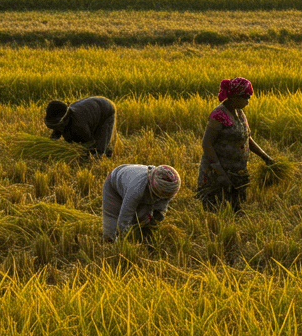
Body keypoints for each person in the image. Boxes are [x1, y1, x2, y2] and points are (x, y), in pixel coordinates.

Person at [197, 77, 275, 213]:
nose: (248, 101)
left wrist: (265, 157)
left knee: (236, 210)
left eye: (249, 97)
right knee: (217, 211)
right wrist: (218, 171)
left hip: (237, 172)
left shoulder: (240, 112)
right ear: (233, 96)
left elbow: (247, 138)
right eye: (245, 97)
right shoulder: (218, 115)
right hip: (219, 173)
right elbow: (207, 144)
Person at [102, 164, 180, 241]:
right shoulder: (136, 190)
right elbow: (125, 215)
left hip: (135, 183)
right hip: (114, 184)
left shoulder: (169, 187)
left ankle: (141, 238)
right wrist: (122, 237)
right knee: (112, 225)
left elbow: (161, 206)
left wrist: (155, 222)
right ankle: (110, 242)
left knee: (142, 218)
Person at [44, 97, 116, 157]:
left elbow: (89, 143)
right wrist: (51, 143)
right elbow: (58, 129)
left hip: (105, 110)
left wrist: (80, 154)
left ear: (64, 119)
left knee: (98, 150)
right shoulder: (61, 120)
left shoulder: (79, 126)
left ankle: (108, 154)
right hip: (90, 108)